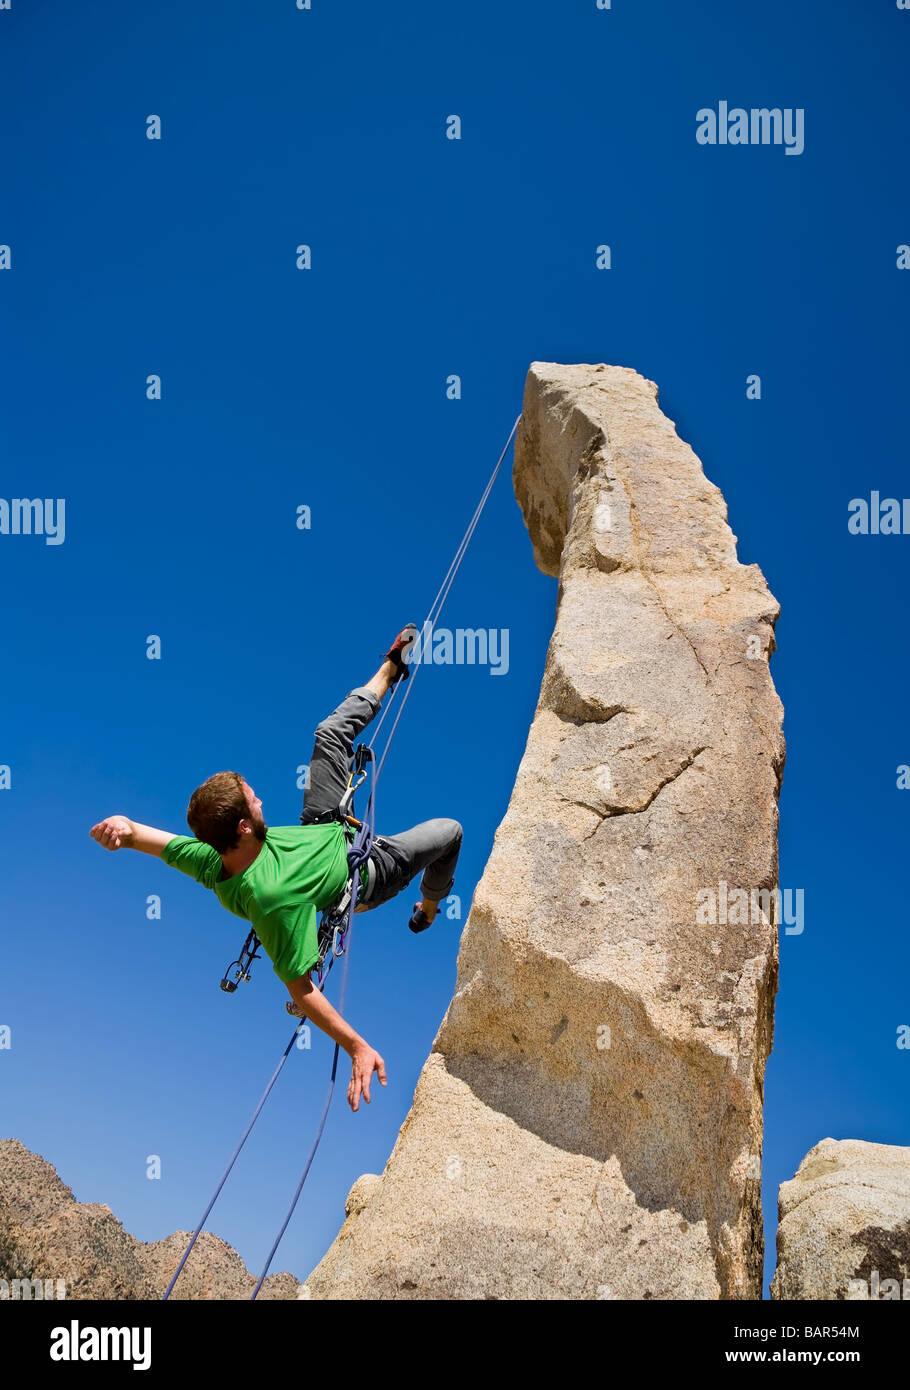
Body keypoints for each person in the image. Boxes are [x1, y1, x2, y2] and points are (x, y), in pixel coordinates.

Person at [89, 626, 463, 1113]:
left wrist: (123, 826)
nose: (264, 798)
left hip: (326, 824)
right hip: (367, 872)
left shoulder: (210, 855)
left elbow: (152, 840)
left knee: (328, 734)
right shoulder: (271, 899)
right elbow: (300, 990)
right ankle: (430, 907)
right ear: (244, 826)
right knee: (450, 831)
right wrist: (356, 1046)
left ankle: (389, 669)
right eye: (254, 800)